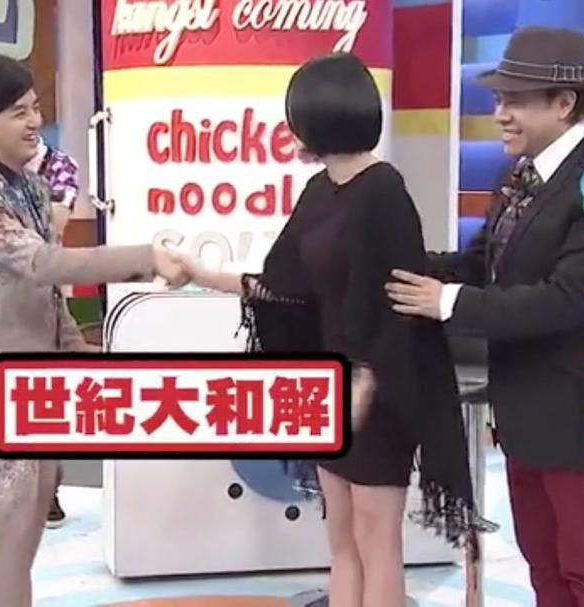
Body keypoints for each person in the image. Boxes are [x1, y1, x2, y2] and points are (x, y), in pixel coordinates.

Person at [177, 52, 477, 607]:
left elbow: (397, 304)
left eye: (295, 117)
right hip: (330, 387)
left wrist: (365, 384)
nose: (289, 130)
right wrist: (200, 275)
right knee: (341, 539)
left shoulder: (384, 191)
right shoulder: (319, 191)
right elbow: (281, 285)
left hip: (379, 393)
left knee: (375, 540)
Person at [385, 27, 584, 607]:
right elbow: (478, 264)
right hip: (522, 413)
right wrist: (390, 261)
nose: (500, 115)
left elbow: (570, 299)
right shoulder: (518, 176)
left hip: (580, 415)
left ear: (564, 103)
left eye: (515, 101)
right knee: (544, 564)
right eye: (498, 99)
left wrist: (449, 303)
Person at [0, 54, 187, 606]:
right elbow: (43, 265)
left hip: (40, 383)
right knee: (8, 539)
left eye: (35, 108)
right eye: (17, 112)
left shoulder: (30, 186)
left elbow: (48, 294)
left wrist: (78, 356)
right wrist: (145, 257)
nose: (35, 122)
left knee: (24, 533)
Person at [0, 137, 85, 529]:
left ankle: (47, 497)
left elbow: (55, 225)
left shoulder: (56, 167)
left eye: (31, 110)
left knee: (38, 401)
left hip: (38, 296)